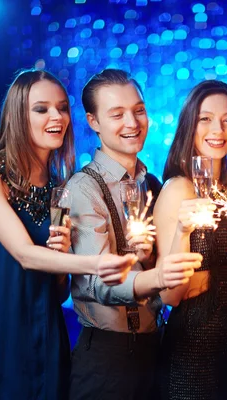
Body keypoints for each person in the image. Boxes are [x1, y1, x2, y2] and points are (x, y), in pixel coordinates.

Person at [0, 69, 136, 400]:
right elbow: (24, 254)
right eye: (41, 108)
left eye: (62, 107)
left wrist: (63, 259)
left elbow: (58, 292)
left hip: (41, 330)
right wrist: (96, 263)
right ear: (18, 115)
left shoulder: (62, 190)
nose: (56, 116)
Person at [67, 69, 202, 400]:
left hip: (154, 349)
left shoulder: (153, 184)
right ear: (93, 122)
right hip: (108, 359)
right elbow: (99, 283)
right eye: (117, 114)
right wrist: (157, 276)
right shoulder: (83, 189)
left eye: (139, 110)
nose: (133, 122)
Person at [155, 80, 227, 399]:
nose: (217, 129)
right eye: (205, 118)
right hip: (193, 348)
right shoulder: (178, 189)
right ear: (189, 124)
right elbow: (169, 296)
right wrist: (182, 231)